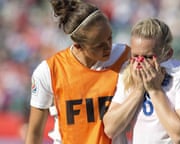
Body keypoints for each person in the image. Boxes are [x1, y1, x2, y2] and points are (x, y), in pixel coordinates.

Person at [25, 0, 130, 144]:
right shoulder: (49, 71)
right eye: (99, 45)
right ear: (78, 46)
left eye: (110, 37)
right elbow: (35, 133)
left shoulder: (125, 57)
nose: (108, 47)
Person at [103, 18, 180, 144]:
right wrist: (139, 90)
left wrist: (154, 90)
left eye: (148, 57)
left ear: (168, 54)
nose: (140, 63)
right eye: (135, 56)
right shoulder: (129, 70)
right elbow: (110, 128)